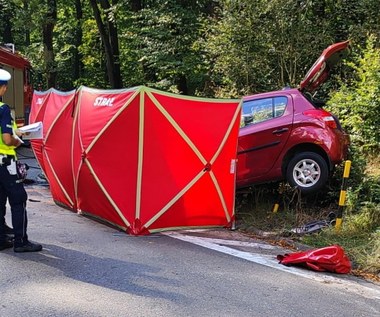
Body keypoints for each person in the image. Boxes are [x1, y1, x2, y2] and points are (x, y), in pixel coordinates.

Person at [0, 68, 42, 252]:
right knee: (19, 199)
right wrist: (19, 140)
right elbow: (7, 139)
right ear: (3, 88)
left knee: (0, 200)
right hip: (6, 161)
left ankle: (1, 239)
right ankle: (21, 241)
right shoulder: (3, 109)